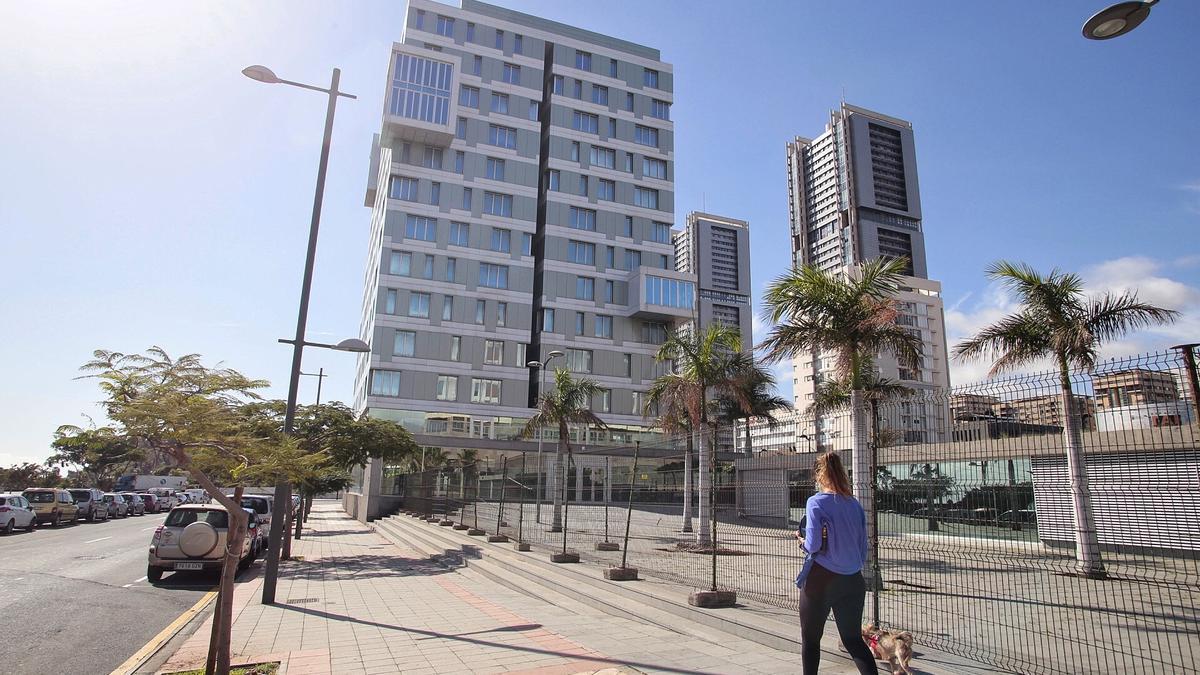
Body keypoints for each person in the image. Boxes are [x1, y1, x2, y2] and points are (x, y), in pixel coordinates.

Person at [795, 451, 876, 674]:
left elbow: (812, 545)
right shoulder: (855, 505)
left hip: (820, 579)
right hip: (852, 580)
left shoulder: (816, 502)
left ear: (820, 476)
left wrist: (801, 541)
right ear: (842, 474)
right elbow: (862, 547)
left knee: (811, 641)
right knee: (853, 641)